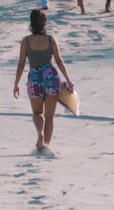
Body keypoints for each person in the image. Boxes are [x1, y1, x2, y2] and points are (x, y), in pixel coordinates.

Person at [13, 8, 73, 154]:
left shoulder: (26, 41)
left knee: (37, 113)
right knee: (50, 117)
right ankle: (44, 146)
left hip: (34, 78)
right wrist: (68, 80)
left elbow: (21, 64)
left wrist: (16, 84)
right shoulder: (50, 39)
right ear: (44, 23)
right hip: (51, 77)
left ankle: (39, 134)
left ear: (31, 24)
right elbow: (58, 60)